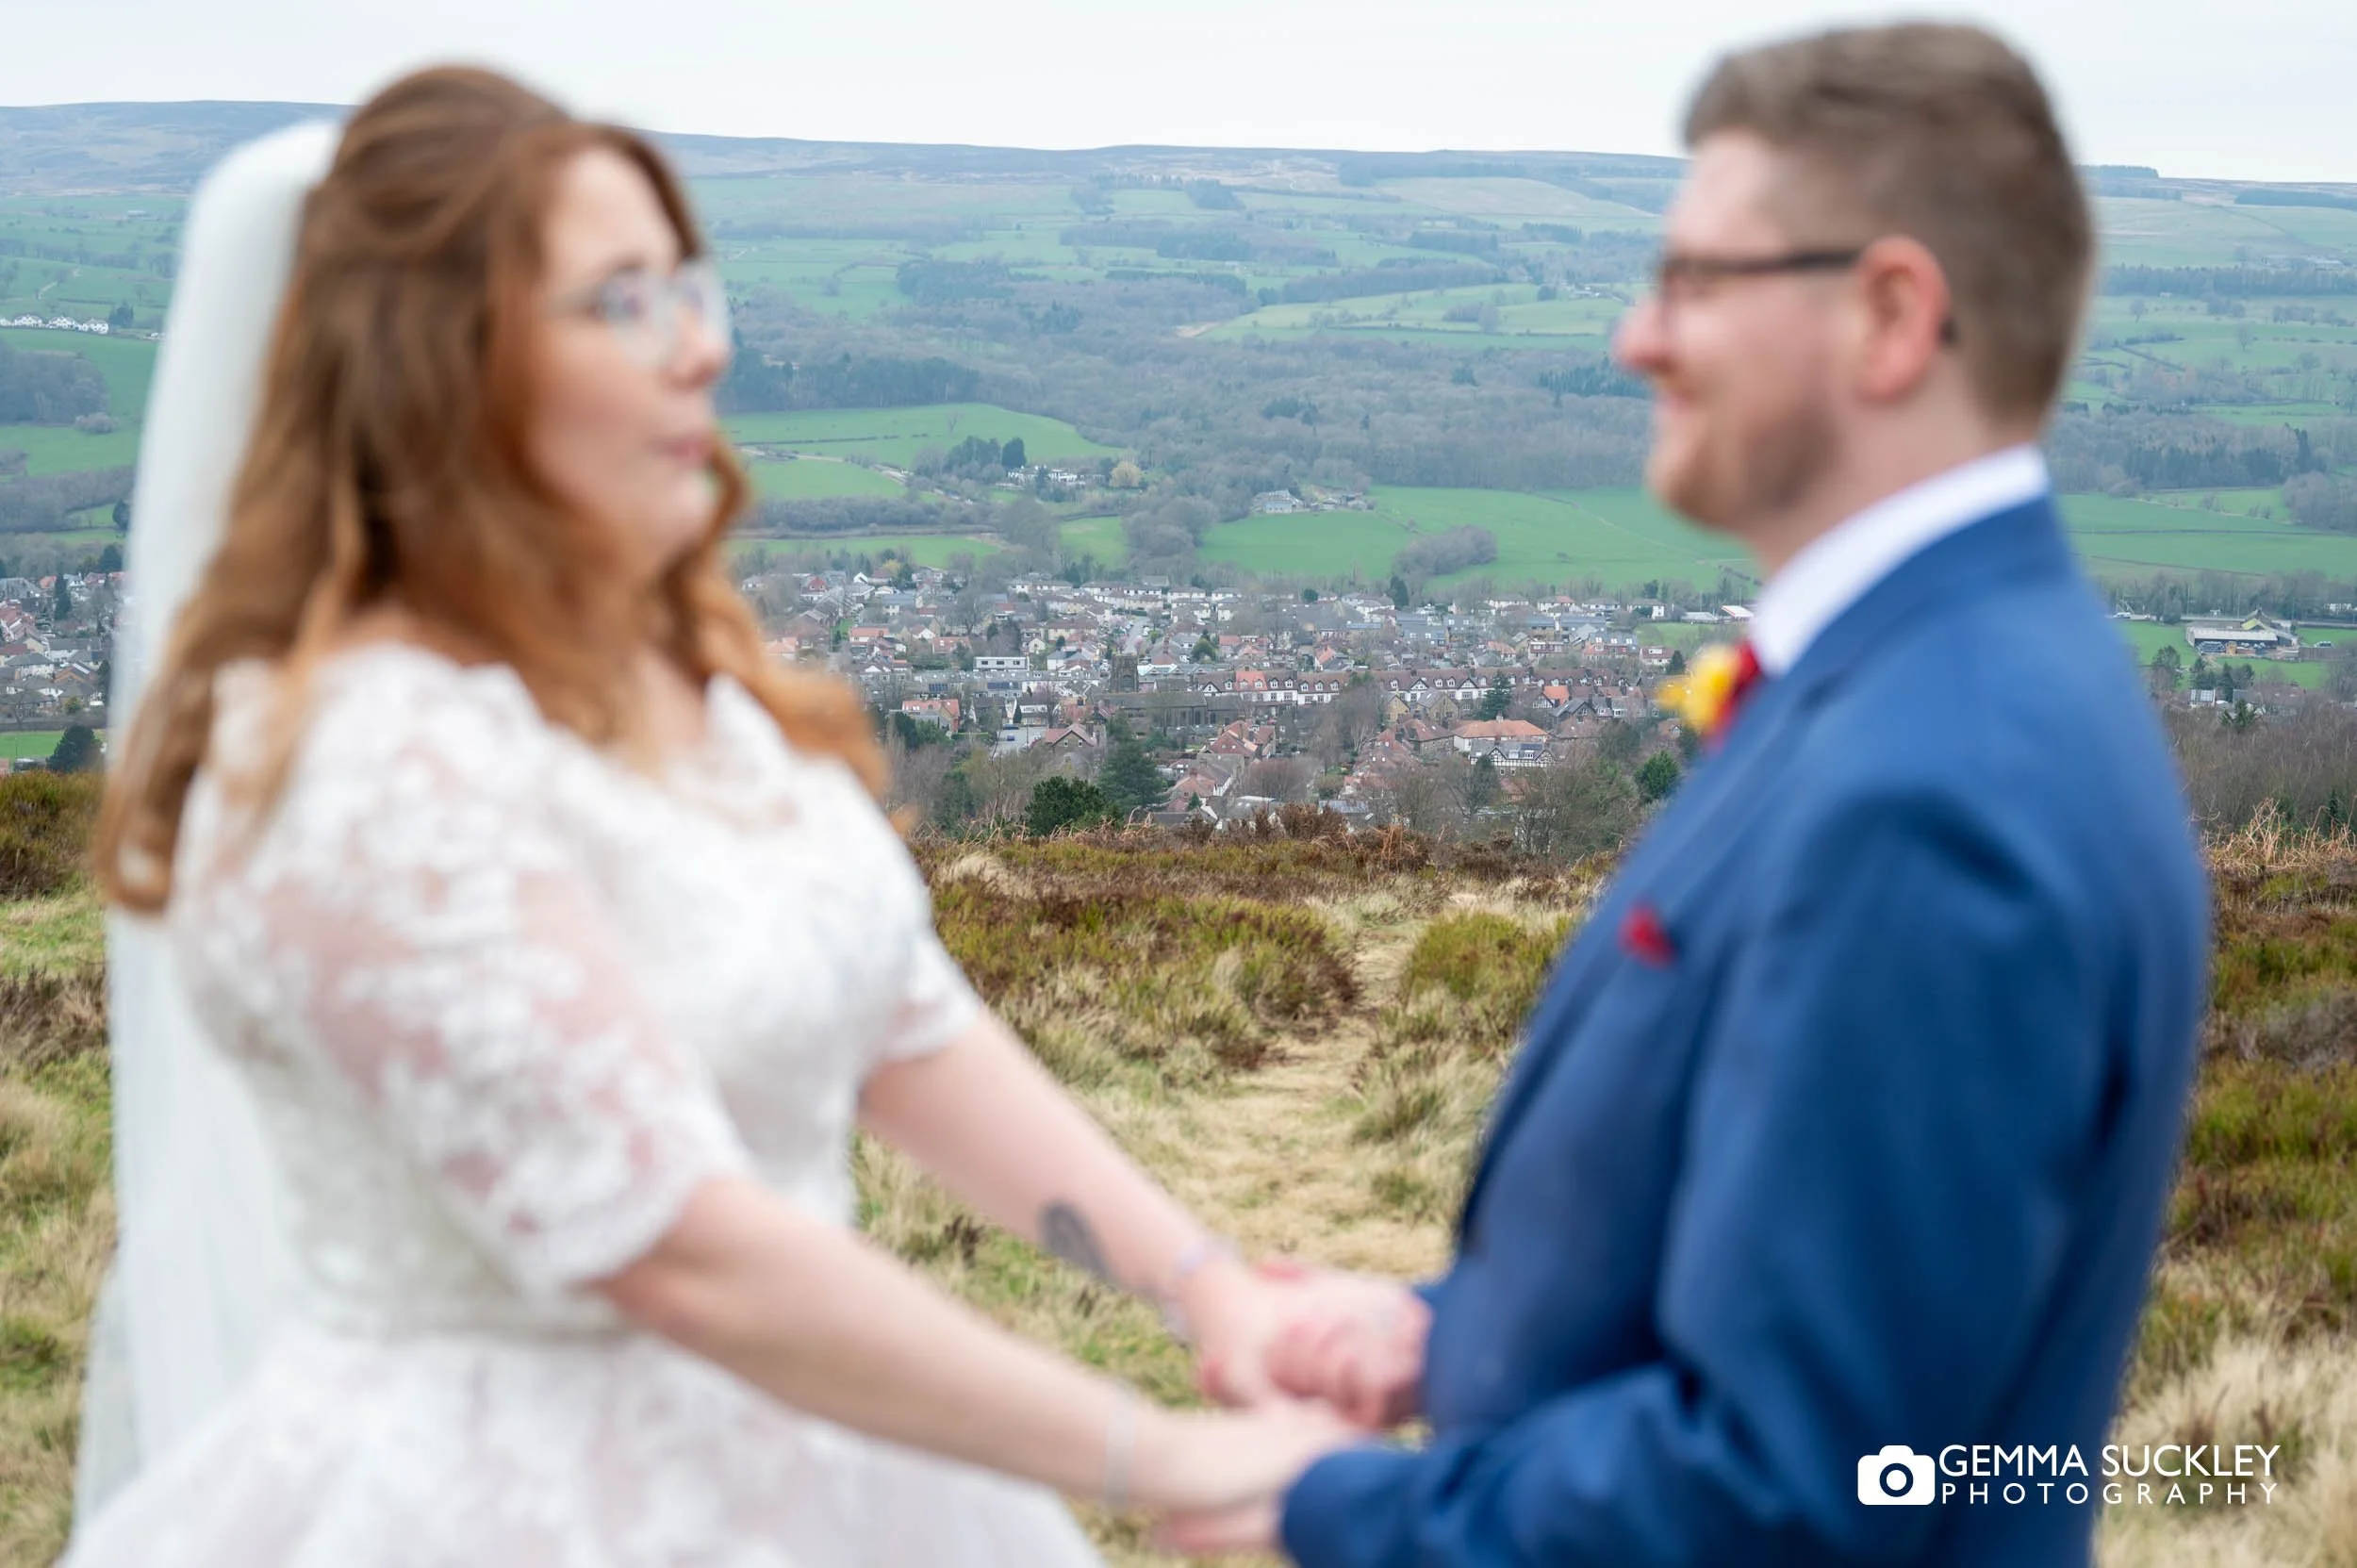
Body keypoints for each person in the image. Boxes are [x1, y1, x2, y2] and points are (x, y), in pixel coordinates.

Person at [68, 66, 1345, 1566]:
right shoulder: (366, 764)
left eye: (694, 287)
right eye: (625, 302)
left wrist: (1209, 1289)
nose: (704, 349)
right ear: (437, 365)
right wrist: (1153, 1453)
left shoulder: (682, 687)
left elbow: (905, 1032)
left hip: (827, 1481)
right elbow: (682, 1250)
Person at [1178, 24, 2209, 1566]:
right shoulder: (1928, 677)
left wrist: (1335, 1508)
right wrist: (1438, 1343)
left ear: (1889, 316)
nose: (1634, 340)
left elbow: (1795, 1487)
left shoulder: (1937, 797)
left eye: (1693, 282)